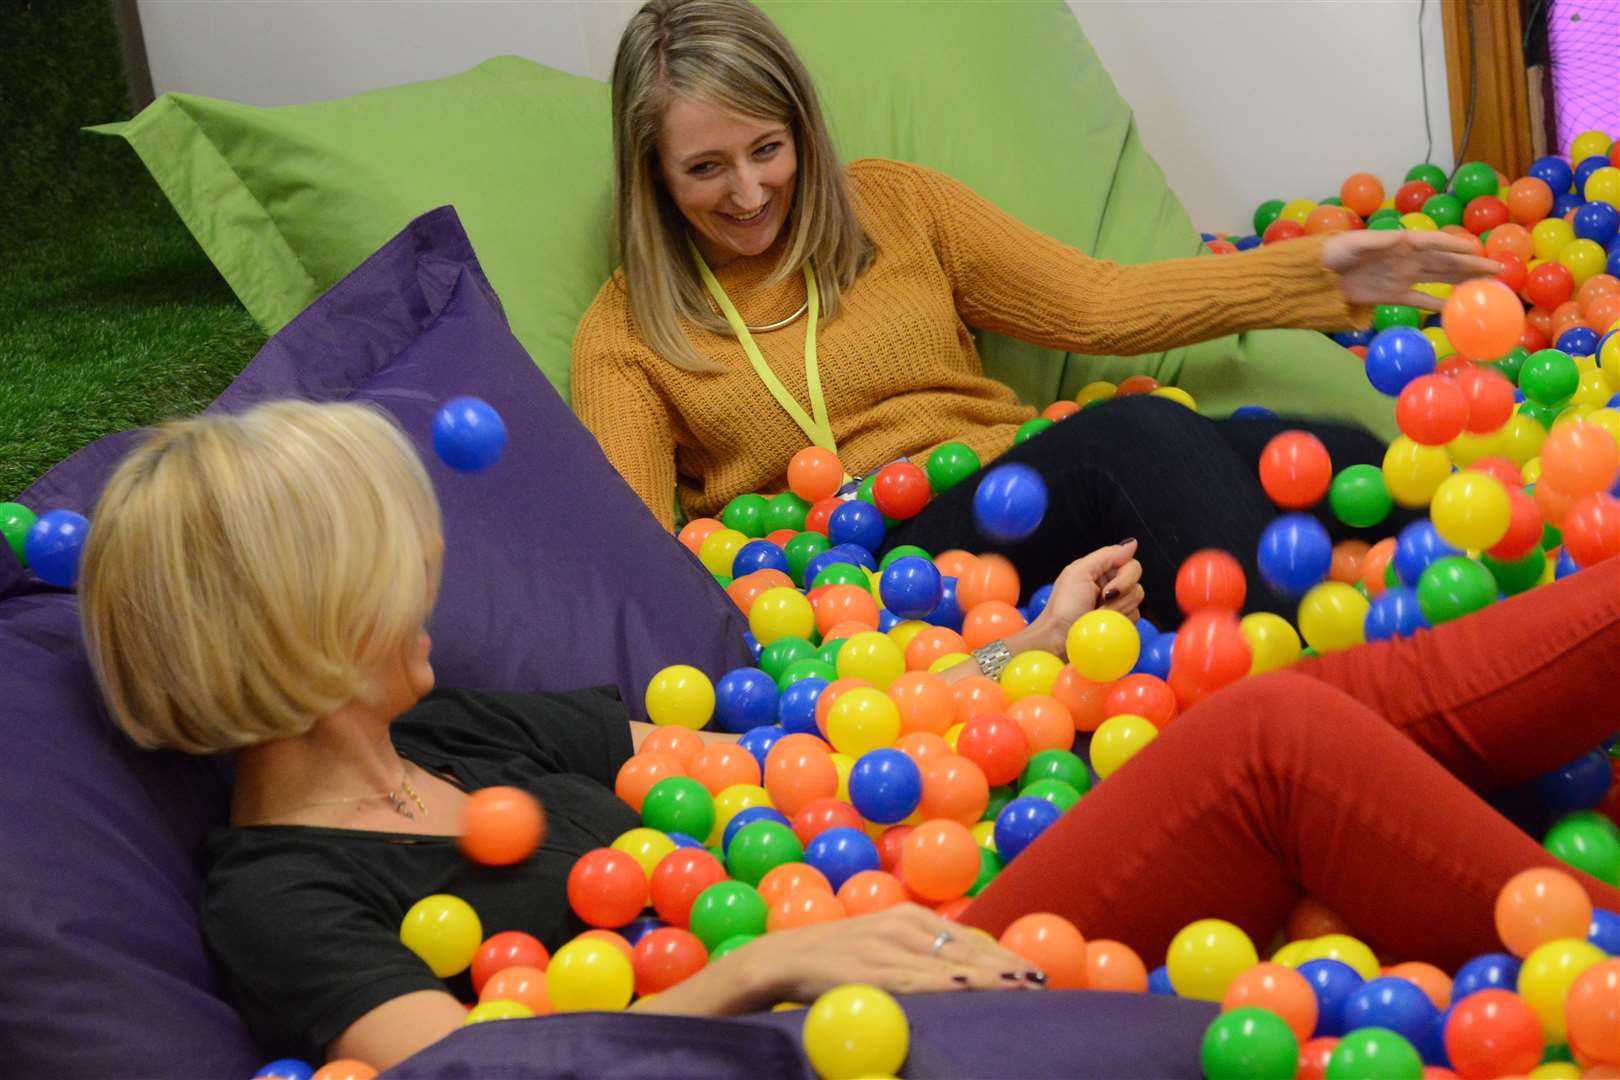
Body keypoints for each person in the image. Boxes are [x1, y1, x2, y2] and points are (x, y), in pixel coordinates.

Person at [79, 400, 1619, 1074]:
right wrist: (765, 965)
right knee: (1275, 735)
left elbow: (751, 746)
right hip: (865, 990)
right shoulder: (275, 888)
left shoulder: (450, 728)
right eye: (389, 566)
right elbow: (469, 1075)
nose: (431, 575)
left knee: (1299, 703)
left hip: (902, 871)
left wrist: (1005, 658)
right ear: (292, 634)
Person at [571, 0, 1501, 626]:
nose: (748, 192)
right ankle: (1303, 700)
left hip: (1015, 488)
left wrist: (1312, 273)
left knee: (1336, 458)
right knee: (1132, 439)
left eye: (767, 149)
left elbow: (1099, 303)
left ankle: (1494, 633)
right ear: (652, 171)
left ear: (802, 130)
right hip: (865, 576)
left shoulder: (898, 206)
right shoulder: (625, 336)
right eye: (705, 168)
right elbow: (636, 569)